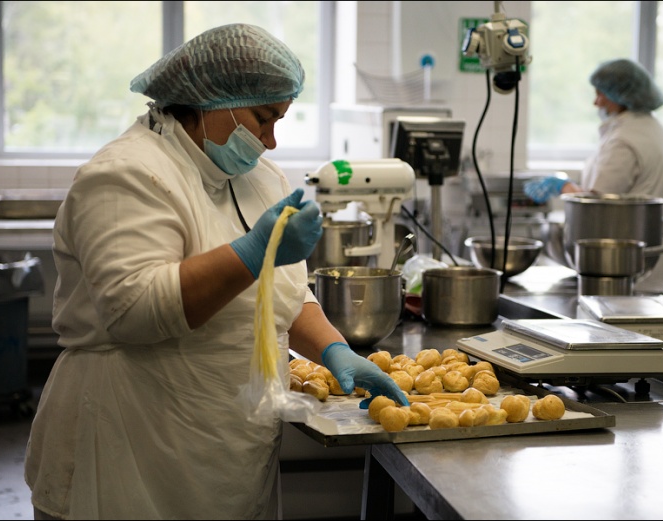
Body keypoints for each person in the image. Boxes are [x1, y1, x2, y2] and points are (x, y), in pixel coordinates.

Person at [24, 23, 408, 520]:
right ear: (212, 99)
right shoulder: (126, 174)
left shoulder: (259, 178)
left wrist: (334, 350)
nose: (270, 141)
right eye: (263, 118)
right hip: (129, 439)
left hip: (226, 448)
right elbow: (135, 311)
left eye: (279, 121)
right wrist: (252, 251)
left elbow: (287, 292)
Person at [524, 58, 663, 285]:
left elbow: (597, 206)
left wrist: (563, 186)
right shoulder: (650, 128)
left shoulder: (624, 141)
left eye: (601, 94)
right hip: (653, 256)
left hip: (632, 264)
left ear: (622, 95)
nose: (596, 103)